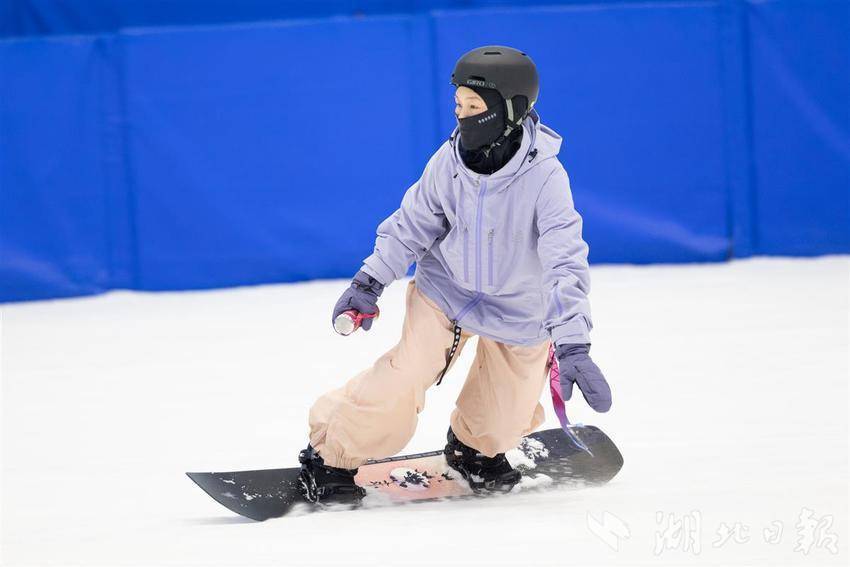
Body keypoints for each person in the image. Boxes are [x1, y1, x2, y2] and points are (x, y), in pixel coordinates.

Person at [298, 45, 612, 503]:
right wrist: (368, 282)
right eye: (458, 105)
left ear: (512, 110)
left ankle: (475, 452)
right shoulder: (449, 162)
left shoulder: (546, 178)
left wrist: (573, 343)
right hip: (444, 293)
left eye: (475, 107)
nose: (463, 118)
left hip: (521, 309)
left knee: (501, 420)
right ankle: (332, 454)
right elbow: (411, 225)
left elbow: (565, 261)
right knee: (404, 378)